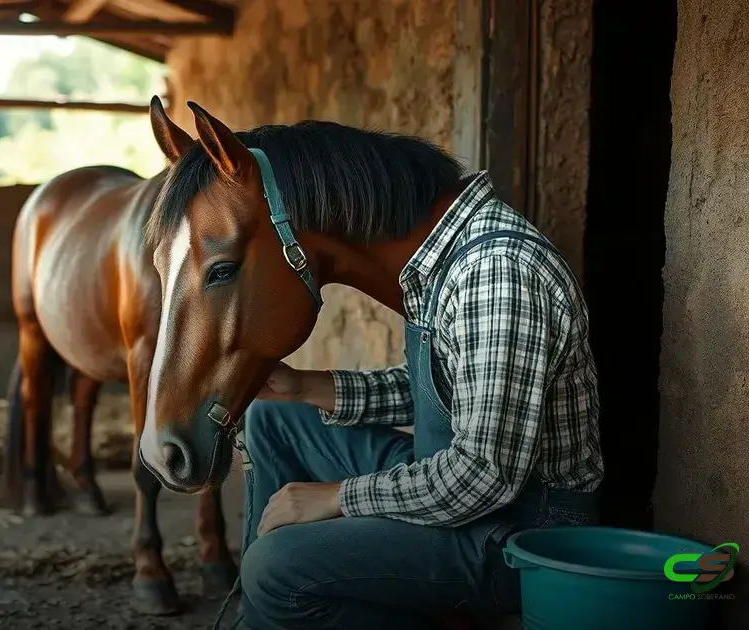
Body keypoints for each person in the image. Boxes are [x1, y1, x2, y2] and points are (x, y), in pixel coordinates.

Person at [231, 173, 604, 630]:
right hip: (457, 482)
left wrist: (338, 497)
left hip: (520, 531)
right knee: (275, 415)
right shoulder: (452, 258)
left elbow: (483, 475)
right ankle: (262, 617)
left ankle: (273, 598)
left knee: (274, 567)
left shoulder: (497, 274)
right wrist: (304, 386)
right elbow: (440, 389)